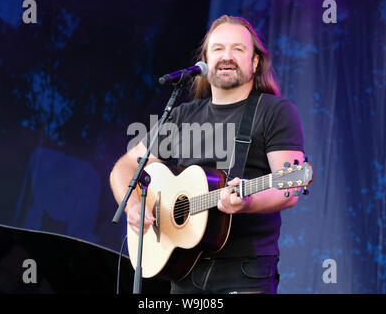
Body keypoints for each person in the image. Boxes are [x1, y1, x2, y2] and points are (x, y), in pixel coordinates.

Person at [110, 15, 305, 294]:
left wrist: (248, 203)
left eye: (238, 49)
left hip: (244, 271)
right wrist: (133, 204)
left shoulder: (274, 112)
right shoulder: (181, 116)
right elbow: (127, 164)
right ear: (204, 60)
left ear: (255, 62)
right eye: (218, 49)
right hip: (183, 269)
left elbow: (290, 189)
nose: (227, 56)